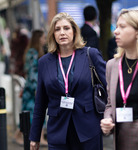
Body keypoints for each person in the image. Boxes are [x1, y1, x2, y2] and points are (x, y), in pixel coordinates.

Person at [30, 12, 106, 150]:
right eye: (57, 29)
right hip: (58, 131)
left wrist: (109, 118)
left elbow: (110, 88)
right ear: (52, 34)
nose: (62, 33)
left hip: (88, 129)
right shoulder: (44, 62)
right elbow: (40, 102)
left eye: (66, 28)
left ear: (74, 31)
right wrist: (35, 136)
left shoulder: (91, 55)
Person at [100, 9, 138, 150]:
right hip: (122, 138)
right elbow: (109, 104)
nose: (115, 31)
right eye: (116, 26)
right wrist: (108, 119)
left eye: (122, 26)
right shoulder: (111, 65)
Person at [13, 30, 46, 146]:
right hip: (32, 89)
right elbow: (32, 72)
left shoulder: (34, 51)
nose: (44, 39)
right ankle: (18, 135)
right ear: (38, 39)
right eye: (43, 37)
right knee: (29, 114)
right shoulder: (33, 52)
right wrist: (37, 88)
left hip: (33, 88)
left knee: (36, 112)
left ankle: (40, 137)